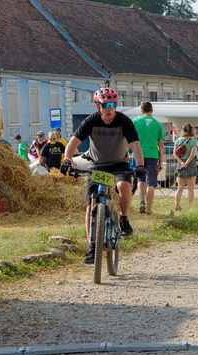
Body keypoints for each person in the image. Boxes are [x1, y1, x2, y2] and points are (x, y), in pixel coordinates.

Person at [60, 87, 145, 264]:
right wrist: (67, 159)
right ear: (98, 106)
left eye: (113, 105)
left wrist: (140, 166)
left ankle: (123, 218)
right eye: (106, 105)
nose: (110, 109)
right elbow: (73, 142)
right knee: (90, 207)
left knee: (124, 186)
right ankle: (92, 246)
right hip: (97, 165)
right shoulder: (91, 120)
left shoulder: (124, 121)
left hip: (119, 163)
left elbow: (136, 146)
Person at [132, 101, 165, 215]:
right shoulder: (158, 124)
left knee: (140, 180)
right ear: (152, 111)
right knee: (150, 183)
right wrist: (161, 161)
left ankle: (142, 201)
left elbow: (129, 139)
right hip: (152, 155)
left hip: (138, 155)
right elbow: (161, 145)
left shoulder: (135, 122)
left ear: (141, 111)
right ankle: (149, 210)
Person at [173, 123, 198, 210]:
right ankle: (190, 207)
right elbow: (192, 156)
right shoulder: (193, 141)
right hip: (190, 164)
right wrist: (186, 164)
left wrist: (182, 163)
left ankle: (177, 206)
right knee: (191, 188)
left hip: (180, 164)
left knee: (180, 187)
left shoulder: (178, 140)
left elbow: (174, 154)